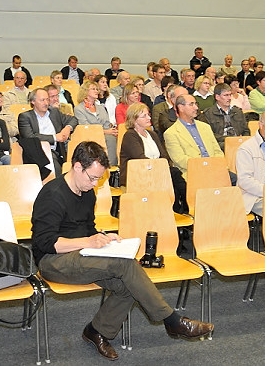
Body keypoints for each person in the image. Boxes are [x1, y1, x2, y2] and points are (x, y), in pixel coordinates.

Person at [31, 141, 212, 361]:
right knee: (124, 265)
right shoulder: (52, 195)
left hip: (82, 255)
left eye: (99, 179)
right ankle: (172, 321)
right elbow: (45, 243)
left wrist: (103, 237)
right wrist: (88, 241)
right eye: (92, 178)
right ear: (77, 167)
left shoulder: (87, 192)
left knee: (129, 283)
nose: (95, 184)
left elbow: (87, 228)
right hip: (53, 260)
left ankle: (96, 331)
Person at [119, 103, 188, 213]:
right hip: (139, 175)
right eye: (144, 116)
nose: (149, 118)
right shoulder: (130, 136)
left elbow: (164, 156)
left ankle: (179, 208)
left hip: (157, 172)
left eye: (148, 115)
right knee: (173, 174)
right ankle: (182, 207)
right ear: (134, 120)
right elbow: (140, 159)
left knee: (173, 175)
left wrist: (160, 167)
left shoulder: (152, 134)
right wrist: (159, 166)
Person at [163, 94, 227, 181]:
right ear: (181, 108)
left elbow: (217, 151)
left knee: (235, 179)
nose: (196, 108)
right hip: (193, 172)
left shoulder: (205, 127)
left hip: (215, 169)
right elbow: (180, 160)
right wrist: (204, 165)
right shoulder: (171, 133)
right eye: (191, 104)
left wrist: (215, 165)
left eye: (196, 104)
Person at [18, 88, 78, 167]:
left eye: (47, 99)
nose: (46, 103)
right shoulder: (25, 117)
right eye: (42, 100)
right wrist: (55, 138)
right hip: (37, 153)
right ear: (33, 101)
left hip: (56, 152)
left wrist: (67, 128)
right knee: (53, 164)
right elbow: (30, 137)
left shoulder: (54, 112)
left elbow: (73, 119)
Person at [74, 81, 119, 165]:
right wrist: (106, 132)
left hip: (105, 134)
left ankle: (113, 165)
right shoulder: (79, 109)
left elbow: (106, 124)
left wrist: (110, 131)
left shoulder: (101, 107)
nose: (96, 91)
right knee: (110, 138)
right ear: (85, 91)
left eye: (97, 89)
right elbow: (85, 127)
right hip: (88, 135)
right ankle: (109, 165)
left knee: (115, 136)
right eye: (93, 89)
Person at [198, 83, 249, 149]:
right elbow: (209, 135)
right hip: (220, 145)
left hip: (239, 143)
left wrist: (243, 139)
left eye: (230, 95)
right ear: (217, 97)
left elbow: (246, 130)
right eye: (226, 95)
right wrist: (229, 139)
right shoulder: (208, 114)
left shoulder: (237, 111)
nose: (229, 98)